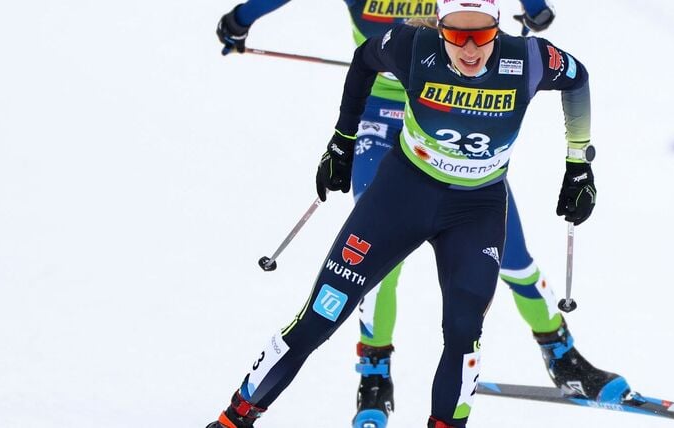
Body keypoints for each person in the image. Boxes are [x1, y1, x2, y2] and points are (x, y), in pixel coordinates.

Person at [209, 1, 628, 427]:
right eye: (457, 34)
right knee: (345, 295)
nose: (470, 48)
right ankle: (373, 373)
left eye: (482, 36)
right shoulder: (414, 43)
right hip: (385, 118)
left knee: (505, 272)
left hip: (472, 177)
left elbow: (572, 74)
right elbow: (368, 55)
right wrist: (341, 139)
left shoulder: (523, 57)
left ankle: (560, 352)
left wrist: (579, 165)